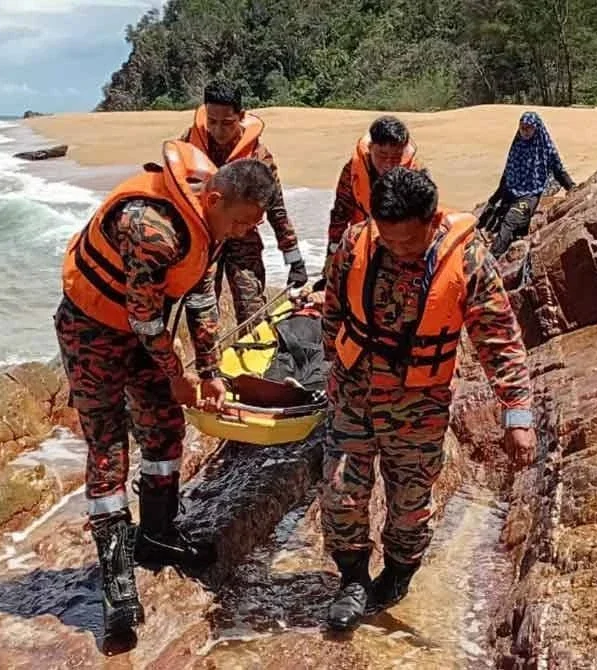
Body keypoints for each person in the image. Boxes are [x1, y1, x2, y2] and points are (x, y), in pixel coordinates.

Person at [55, 139, 276, 637]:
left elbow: (199, 296)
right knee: (109, 445)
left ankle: (156, 536)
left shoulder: (213, 222)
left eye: (251, 226)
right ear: (215, 200)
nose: (242, 233)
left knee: (166, 429)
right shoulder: (150, 227)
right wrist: (177, 375)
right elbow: (144, 317)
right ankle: (117, 586)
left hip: (142, 330)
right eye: (241, 222)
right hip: (92, 330)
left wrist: (211, 371)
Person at [320, 166, 536, 631]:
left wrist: (517, 411)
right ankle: (353, 579)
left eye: (407, 242)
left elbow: (499, 339)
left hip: (417, 405)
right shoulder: (355, 243)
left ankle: (398, 573)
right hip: (355, 395)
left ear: (431, 219)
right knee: (341, 493)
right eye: (388, 239)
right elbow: (333, 310)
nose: (397, 250)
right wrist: (331, 368)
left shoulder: (469, 260)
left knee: (409, 501)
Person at [179, 80, 308, 325]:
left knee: (253, 311)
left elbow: (276, 209)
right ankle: (209, 362)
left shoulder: (259, 157)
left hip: (242, 236)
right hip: (205, 237)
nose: (218, 131)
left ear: (240, 116)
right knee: (201, 312)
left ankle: (256, 358)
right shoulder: (189, 142)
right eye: (212, 121)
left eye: (227, 123)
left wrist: (294, 258)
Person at [320, 115, 419, 286]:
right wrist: (332, 254)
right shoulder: (353, 170)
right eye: (382, 155)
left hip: (401, 247)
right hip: (362, 241)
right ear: (371, 148)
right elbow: (340, 214)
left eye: (396, 156)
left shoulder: (416, 173)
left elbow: (423, 220)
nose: (388, 164)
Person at [479, 111, 575, 258]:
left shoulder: (545, 147)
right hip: (511, 192)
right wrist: (493, 199)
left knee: (510, 221)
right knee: (490, 222)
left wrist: (572, 188)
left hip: (530, 195)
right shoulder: (517, 145)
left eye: (528, 128)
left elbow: (559, 170)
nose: (525, 131)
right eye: (522, 127)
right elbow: (507, 174)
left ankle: (491, 260)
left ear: (536, 128)